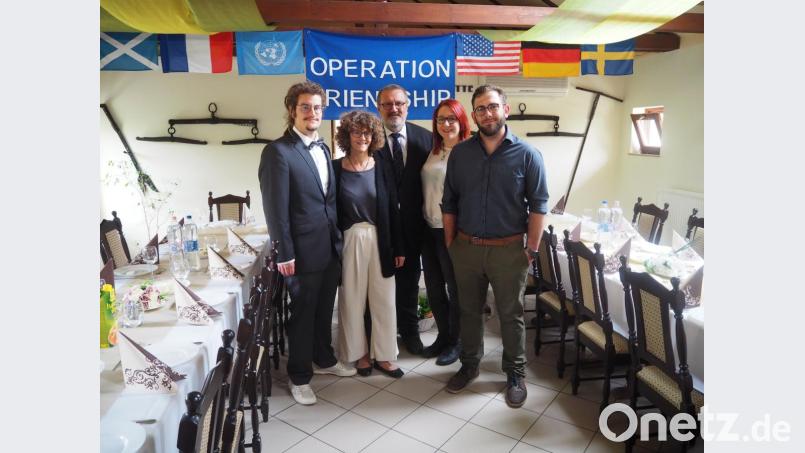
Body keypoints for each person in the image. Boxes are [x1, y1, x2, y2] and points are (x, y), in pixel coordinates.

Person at [441, 85, 549, 408]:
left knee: (511, 313)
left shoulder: (528, 155)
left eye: (492, 107)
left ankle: (515, 374)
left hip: (509, 251)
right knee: (469, 310)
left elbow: (539, 205)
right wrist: (451, 244)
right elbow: (450, 202)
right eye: (480, 109)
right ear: (473, 115)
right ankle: (470, 364)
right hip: (467, 248)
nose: (487, 114)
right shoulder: (461, 154)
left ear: (506, 108)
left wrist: (530, 249)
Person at [258, 81, 356, 406]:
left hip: (329, 247)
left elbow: (328, 201)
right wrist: (284, 251)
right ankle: (300, 376)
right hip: (299, 252)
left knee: (323, 310)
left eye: (317, 107)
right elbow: (276, 207)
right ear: (291, 111)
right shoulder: (277, 152)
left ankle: (323, 359)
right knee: (302, 314)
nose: (312, 113)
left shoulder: (324, 147)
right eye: (305, 107)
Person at [333, 110, 406, 378]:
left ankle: (385, 356)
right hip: (350, 239)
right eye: (356, 132)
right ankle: (359, 355)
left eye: (366, 132)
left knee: (384, 300)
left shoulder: (383, 168)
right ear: (346, 135)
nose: (362, 137)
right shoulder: (335, 169)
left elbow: (393, 210)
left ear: (373, 136)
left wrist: (398, 247)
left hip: (381, 239)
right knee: (351, 300)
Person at [374, 84, 433, 355]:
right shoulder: (369, 139)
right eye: (387, 104)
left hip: (414, 228)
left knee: (409, 282)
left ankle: (410, 332)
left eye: (399, 103)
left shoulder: (427, 139)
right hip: (379, 228)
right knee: (378, 283)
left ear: (407, 106)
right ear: (379, 108)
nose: (393, 108)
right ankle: (379, 335)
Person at [420, 99, 471, 365]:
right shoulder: (433, 150)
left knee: (455, 290)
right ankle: (442, 337)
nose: (446, 124)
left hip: (453, 233)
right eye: (441, 119)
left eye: (452, 118)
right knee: (435, 290)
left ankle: (457, 342)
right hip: (429, 230)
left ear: (462, 121)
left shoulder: (469, 152)